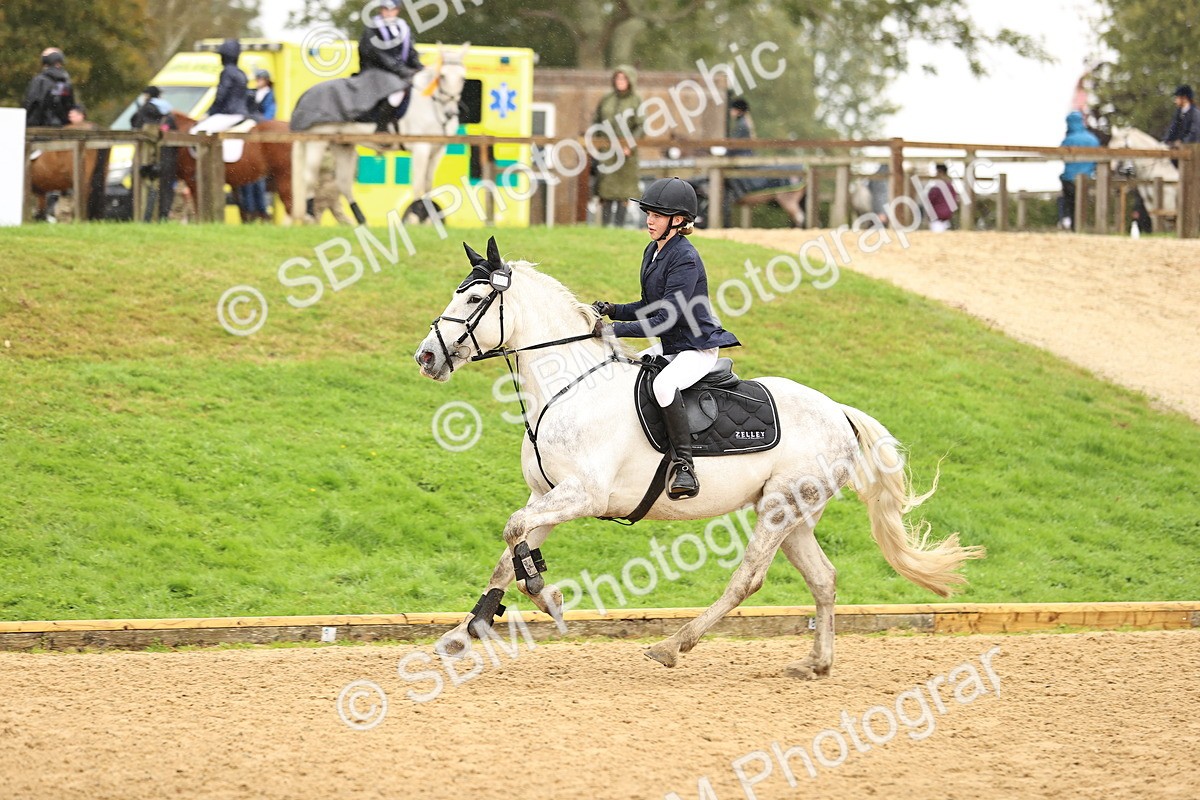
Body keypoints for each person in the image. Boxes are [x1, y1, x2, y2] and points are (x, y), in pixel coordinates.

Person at [592, 177, 740, 500]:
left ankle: (685, 465)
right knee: (632, 370)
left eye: (657, 215)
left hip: (695, 346)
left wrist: (613, 331)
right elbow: (649, 305)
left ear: (678, 220)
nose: (649, 220)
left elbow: (664, 319)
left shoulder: (685, 257)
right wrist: (613, 310)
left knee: (663, 385)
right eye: (648, 213)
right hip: (671, 343)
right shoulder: (653, 250)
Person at [359, 0, 423, 133]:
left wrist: (419, 67)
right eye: (385, 9)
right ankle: (381, 127)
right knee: (397, 89)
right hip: (376, 70)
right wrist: (401, 70)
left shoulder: (402, 27)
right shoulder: (373, 28)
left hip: (397, 71)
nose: (388, 13)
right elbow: (378, 54)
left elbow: (410, 51)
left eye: (392, 9)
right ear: (381, 10)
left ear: (397, 10)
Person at [592, 66, 643, 227]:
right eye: (618, 78)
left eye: (624, 78)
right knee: (605, 191)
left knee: (623, 193)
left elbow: (640, 126)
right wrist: (596, 143)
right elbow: (596, 121)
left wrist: (629, 145)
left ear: (630, 80)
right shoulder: (607, 99)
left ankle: (619, 227)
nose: (620, 81)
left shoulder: (635, 100)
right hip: (606, 151)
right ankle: (604, 227)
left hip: (626, 154)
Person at [240, 69, 277, 222]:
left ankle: (261, 210)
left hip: (260, 131)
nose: (257, 82)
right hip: (249, 128)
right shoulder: (252, 93)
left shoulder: (269, 96)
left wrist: (257, 120)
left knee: (259, 179)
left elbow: (269, 115)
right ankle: (249, 209)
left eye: (260, 79)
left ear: (266, 80)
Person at [191, 39, 248, 134]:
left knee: (195, 131)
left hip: (228, 114)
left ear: (225, 57)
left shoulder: (227, 72)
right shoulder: (241, 73)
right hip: (242, 113)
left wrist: (209, 113)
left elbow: (221, 96)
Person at [1059, 110, 1099, 231]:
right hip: (1088, 178)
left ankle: (1070, 223)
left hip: (1070, 178)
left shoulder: (1069, 139)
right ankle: (1083, 226)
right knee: (1083, 204)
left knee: (1070, 203)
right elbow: (1097, 159)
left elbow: (1061, 156)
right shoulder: (1092, 139)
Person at [23, 48, 76, 127]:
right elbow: (69, 106)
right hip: (60, 128)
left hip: (37, 127)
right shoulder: (65, 83)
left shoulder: (39, 81)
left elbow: (30, 103)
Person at [1163, 84, 1200, 150]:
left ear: (1184, 98)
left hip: (1194, 150)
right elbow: (1172, 128)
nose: (1175, 101)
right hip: (1179, 149)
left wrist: (1182, 142)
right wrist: (1167, 140)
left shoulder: (1195, 113)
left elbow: (1195, 133)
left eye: (1177, 98)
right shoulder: (1178, 112)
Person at [925, 163, 958, 232]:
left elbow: (929, 201)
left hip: (939, 219)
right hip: (944, 219)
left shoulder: (937, 188)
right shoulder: (949, 187)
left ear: (940, 172)